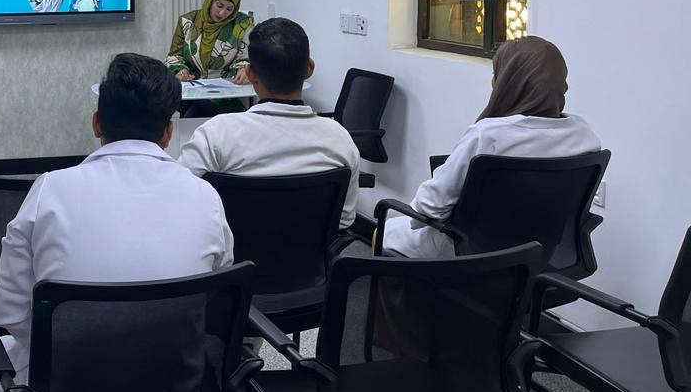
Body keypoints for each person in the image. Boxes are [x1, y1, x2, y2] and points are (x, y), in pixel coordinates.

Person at [0, 53, 234, 392]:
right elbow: (216, 299)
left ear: (97, 122)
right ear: (168, 132)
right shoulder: (205, 197)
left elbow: (8, 315)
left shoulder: (50, 190)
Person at [381, 36, 601, 258]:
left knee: (384, 231)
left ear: (508, 83)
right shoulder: (584, 136)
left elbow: (430, 207)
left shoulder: (487, 136)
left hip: (470, 252)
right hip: (540, 250)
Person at [180, 18, 361, 229]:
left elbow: (179, 198)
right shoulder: (340, 139)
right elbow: (343, 220)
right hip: (309, 251)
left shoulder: (216, 134)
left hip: (233, 250)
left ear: (250, 74)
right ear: (309, 68)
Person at [166, 0, 253, 85]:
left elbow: (246, 58)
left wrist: (244, 69)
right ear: (211, 0)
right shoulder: (187, 21)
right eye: (219, 5)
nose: (222, 13)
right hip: (191, 85)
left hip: (227, 88)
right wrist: (180, 70)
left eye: (229, 9)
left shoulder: (242, 24)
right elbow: (174, 56)